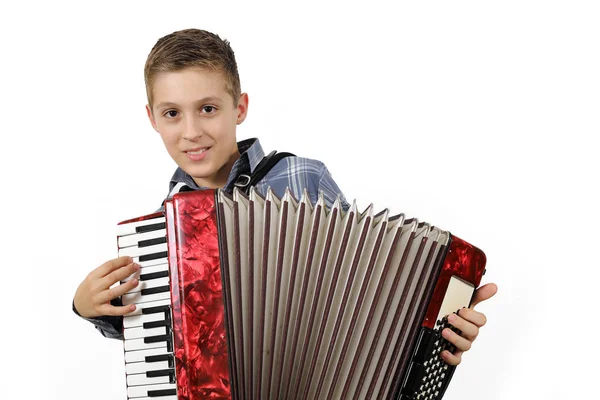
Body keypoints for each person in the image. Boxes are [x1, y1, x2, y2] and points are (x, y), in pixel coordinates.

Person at [72, 28, 497, 370]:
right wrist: (90, 308)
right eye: (172, 113)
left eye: (208, 108)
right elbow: (154, 338)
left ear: (239, 108)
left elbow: (367, 294)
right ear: (152, 119)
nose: (191, 131)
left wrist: (438, 332)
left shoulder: (301, 178)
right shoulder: (162, 233)